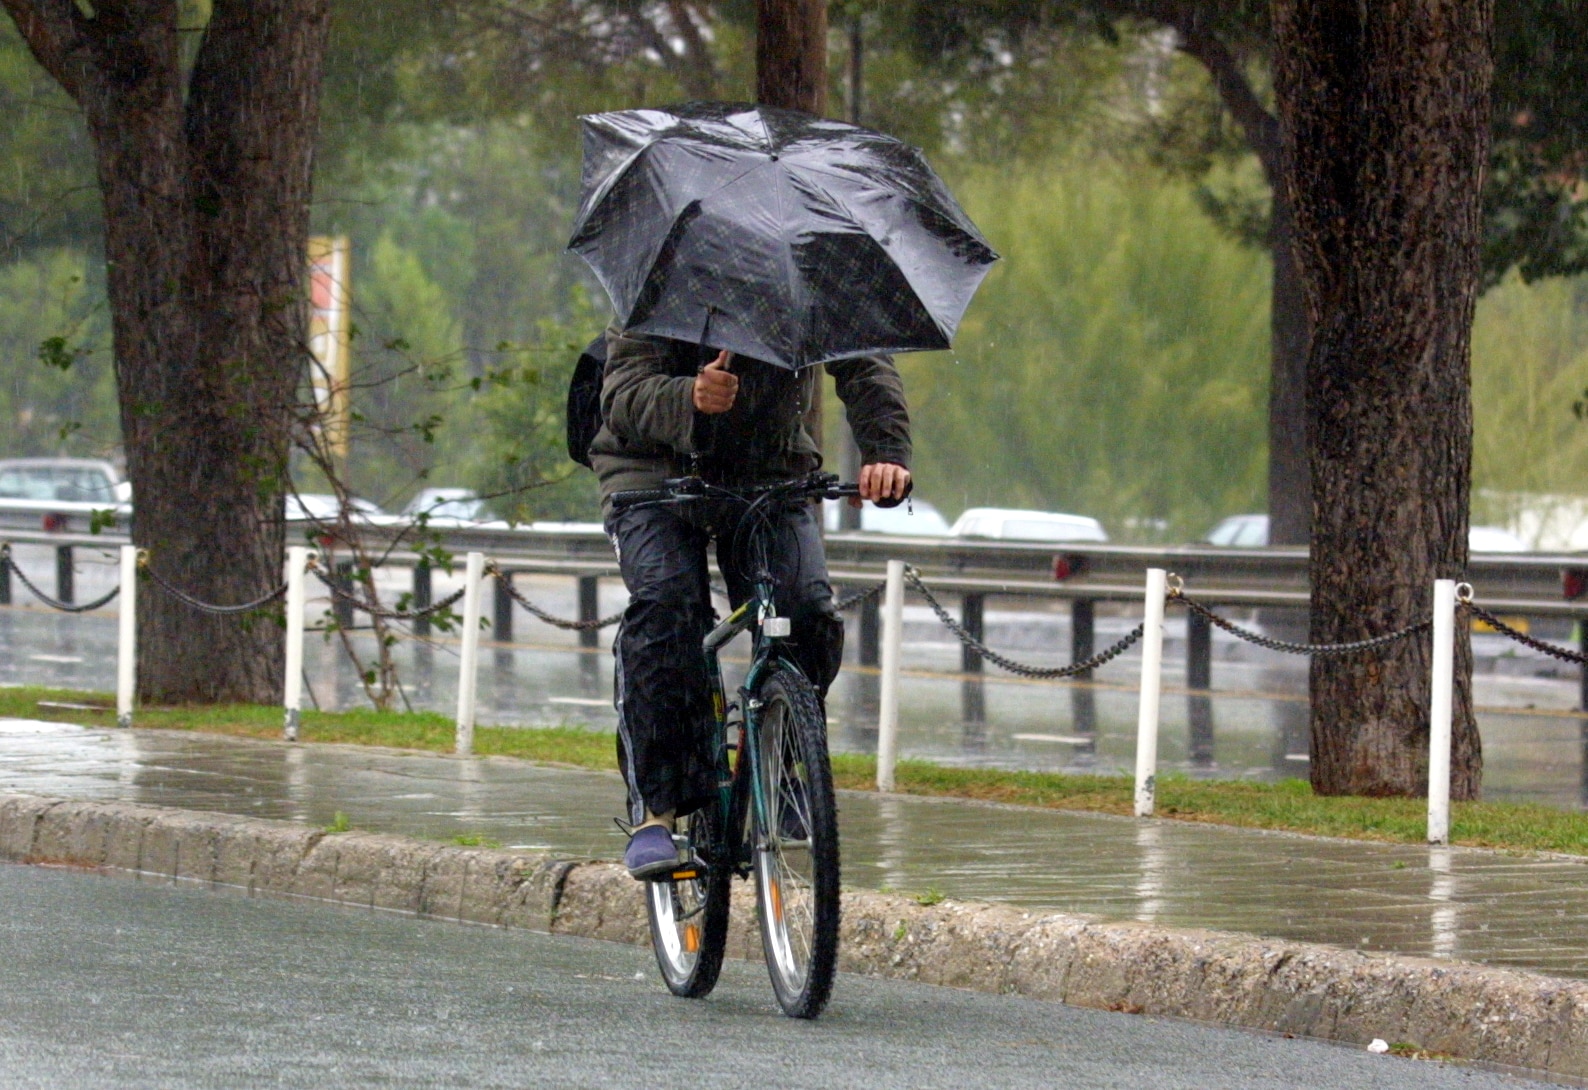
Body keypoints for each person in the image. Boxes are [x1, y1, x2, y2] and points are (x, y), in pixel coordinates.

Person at [589, 327, 912, 878]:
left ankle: (782, 763)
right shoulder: (664, 277)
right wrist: (688, 396)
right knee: (668, 605)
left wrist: (885, 453)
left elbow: (864, 366)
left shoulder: (801, 281)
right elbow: (622, 394)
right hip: (652, 474)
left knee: (805, 611)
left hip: (769, 471)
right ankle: (657, 811)